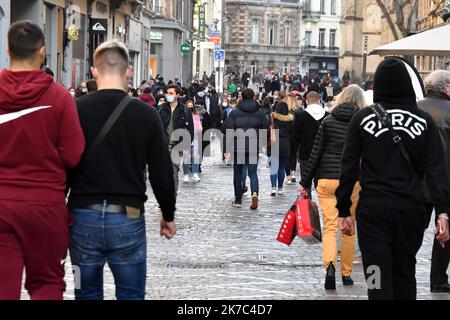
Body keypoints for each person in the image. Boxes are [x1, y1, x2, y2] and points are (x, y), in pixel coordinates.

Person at [68, 40, 176, 300]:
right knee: (131, 295)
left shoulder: (74, 110)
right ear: (129, 71)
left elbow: (63, 164)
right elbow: (162, 172)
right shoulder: (146, 115)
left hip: (83, 219)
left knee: (86, 293)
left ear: (94, 71)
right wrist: (167, 214)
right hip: (127, 218)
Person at [335, 57, 450, 300]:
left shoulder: (362, 118)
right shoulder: (424, 121)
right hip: (411, 208)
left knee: (376, 271)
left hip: (373, 208)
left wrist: (344, 209)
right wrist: (442, 212)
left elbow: (347, 168)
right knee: (404, 270)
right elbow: (436, 169)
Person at [0, 21, 85, 300]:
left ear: (9, 50)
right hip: (45, 205)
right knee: (47, 283)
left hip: (1, 204)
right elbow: (73, 155)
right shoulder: (60, 98)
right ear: (42, 52)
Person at [299, 85, 366, 290]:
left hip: (326, 179)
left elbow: (316, 153)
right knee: (349, 226)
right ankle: (346, 273)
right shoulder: (363, 123)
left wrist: (305, 182)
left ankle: (329, 266)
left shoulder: (328, 121)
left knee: (330, 226)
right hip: (352, 180)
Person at [417, 70, 450, 293]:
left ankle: (402, 271)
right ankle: (438, 279)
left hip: (415, 182)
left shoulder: (413, 108)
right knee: (445, 232)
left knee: (411, 232)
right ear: (446, 88)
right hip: (446, 181)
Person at [225, 89, 268, 210]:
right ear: (253, 97)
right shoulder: (260, 113)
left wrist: (227, 147)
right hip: (254, 146)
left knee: (238, 174)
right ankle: (255, 193)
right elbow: (265, 129)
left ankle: (238, 200)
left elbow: (229, 130)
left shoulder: (234, 112)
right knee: (253, 173)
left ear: (242, 98)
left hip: (238, 146)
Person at [159, 84, 194, 193]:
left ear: (177, 95)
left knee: (173, 173)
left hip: (176, 147)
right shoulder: (161, 108)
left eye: (171, 93)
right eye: (167, 93)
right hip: (162, 146)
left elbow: (190, 130)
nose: (168, 95)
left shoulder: (184, 110)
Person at [292, 91, 328, 197]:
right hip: (322, 154)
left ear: (306, 101)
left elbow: (295, 137)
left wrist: (294, 153)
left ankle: (307, 207)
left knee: (306, 182)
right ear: (319, 100)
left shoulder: (300, 116)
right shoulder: (327, 115)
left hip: (305, 153)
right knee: (320, 183)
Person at [269, 102, 294, 196]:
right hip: (286, 144)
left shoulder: (273, 118)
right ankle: (280, 188)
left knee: (274, 168)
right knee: (282, 167)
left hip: (275, 143)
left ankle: (273, 188)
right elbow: (292, 134)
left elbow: (268, 131)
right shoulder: (290, 120)